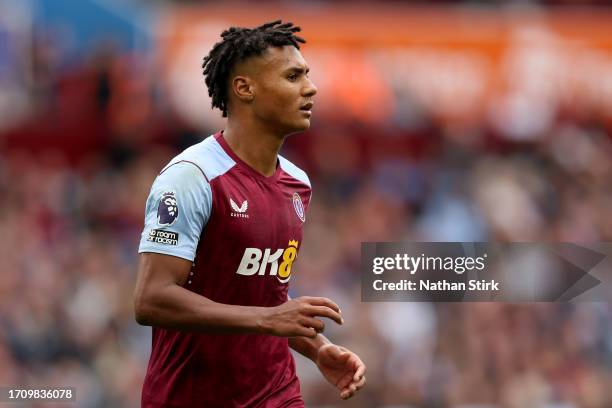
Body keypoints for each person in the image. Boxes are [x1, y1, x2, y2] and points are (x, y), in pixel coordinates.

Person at [134, 20, 366, 407]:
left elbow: (268, 298)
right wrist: (266, 320)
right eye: (293, 76)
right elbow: (151, 300)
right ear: (245, 88)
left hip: (275, 393)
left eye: (307, 75)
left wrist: (317, 346)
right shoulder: (192, 178)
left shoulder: (297, 184)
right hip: (189, 396)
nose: (310, 88)